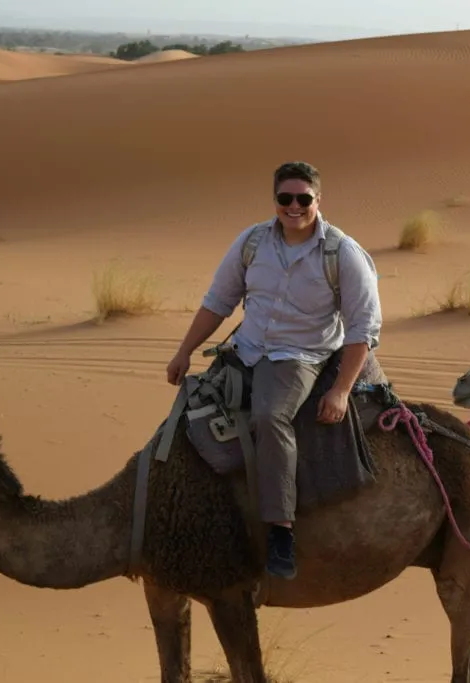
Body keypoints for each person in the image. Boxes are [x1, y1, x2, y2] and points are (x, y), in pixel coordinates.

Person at [165, 160, 382, 580]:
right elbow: (218, 301)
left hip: (297, 357)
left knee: (269, 416)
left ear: (319, 200)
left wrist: (339, 391)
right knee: (191, 409)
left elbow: (363, 329)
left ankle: (281, 530)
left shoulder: (342, 253)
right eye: (286, 198)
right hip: (245, 350)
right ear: (275, 201)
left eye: (304, 198)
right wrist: (184, 351)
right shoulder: (252, 242)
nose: (294, 206)